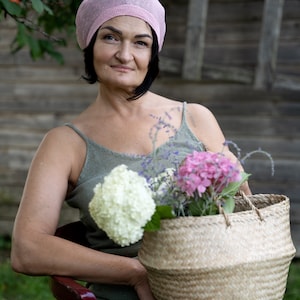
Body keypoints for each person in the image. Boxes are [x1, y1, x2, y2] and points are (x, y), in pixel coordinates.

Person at [11, 0, 251, 299]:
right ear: (90, 45)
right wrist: (135, 273)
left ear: (153, 54)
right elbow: (27, 249)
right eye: (110, 37)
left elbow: (242, 218)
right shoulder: (64, 143)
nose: (124, 54)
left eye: (140, 42)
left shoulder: (196, 119)